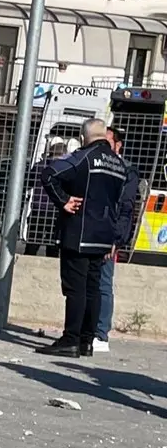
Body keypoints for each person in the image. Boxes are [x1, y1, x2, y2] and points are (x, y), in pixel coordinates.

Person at [36, 118, 136, 358]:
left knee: (75, 288)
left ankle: (70, 339)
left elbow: (49, 174)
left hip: (80, 231)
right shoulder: (120, 165)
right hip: (104, 236)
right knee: (93, 288)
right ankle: (87, 341)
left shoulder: (84, 156)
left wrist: (64, 200)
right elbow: (124, 202)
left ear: (83, 137)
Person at [95, 125, 140, 353]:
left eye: (108, 142)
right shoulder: (96, 163)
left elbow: (126, 208)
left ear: (118, 145)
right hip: (91, 233)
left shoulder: (127, 171)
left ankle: (101, 335)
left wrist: (116, 240)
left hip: (109, 235)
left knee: (103, 283)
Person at [24, 141, 70, 257]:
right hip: (56, 211)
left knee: (32, 245)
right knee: (53, 247)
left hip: (38, 211)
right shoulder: (65, 168)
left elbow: (28, 184)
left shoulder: (40, 166)